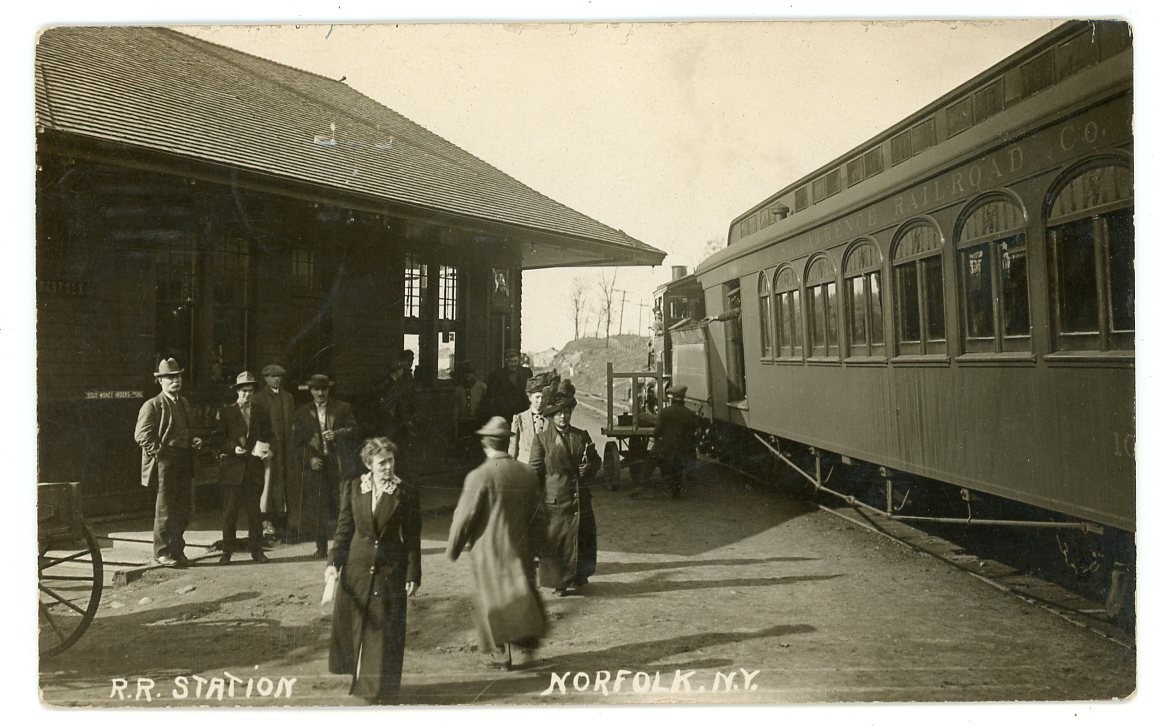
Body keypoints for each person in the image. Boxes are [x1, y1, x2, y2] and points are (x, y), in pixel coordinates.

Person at [325, 437, 421, 705]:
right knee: (360, 630)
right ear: (369, 464)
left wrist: (413, 574)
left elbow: (413, 538)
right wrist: (333, 563)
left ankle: (381, 691)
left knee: (383, 632)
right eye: (382, 462)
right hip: (356, 570)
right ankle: (366, 685)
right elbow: (344, 529)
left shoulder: (406, 492)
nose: (388, 467)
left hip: (390, 571)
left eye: (391, 461)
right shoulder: (354, 487)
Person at [447, 417, 547, 671]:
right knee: (522, 594)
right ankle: (527, 647)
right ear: (507, 442)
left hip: (489, 551)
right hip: (520, 548)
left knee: (491, 600)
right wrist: (540, 547)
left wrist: (453, 548)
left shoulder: (479, 476)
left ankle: (500, 654)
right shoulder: (526, 473)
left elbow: (464, 516)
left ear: (485, 444)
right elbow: (539, 515)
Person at [529, 379, 601, 596]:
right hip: (555, 500)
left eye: (567, 412)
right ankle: (559, 583)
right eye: (559, 413)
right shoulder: (542, 439)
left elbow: (596, 461)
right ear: (551, 416)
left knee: (579, 539)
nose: (563, 416)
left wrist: (588, 468)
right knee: (557, 543)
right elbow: (534, 471)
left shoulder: (581, 435)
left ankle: (579, 577)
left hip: (579, 498)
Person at [133, 358, 203, 568]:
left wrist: (194, 440)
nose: (175, 381)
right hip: (166, 462)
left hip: (184, 460)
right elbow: (141, 436)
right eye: (170, 378)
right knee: (164, 509)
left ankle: (177, 550)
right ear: (160, 381)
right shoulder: (153, 405)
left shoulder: (184, 403)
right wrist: (160, 452)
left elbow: (188, 431)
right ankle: (161, 552)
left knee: (183, 508)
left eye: (178, 377)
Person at [293, 374, 358, 558]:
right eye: (316, 389)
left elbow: (354, 430)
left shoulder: (342, 408)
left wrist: (336, 434)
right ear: (311, 390)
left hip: (337, 462)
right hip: (317, 464)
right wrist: (309, 460)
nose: (320, 392)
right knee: (318, 506)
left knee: (342, 504)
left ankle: (343, 546)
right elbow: (297, 443)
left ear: (329, 389)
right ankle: (321, 547)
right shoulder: (302, 413)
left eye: (324, 388)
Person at [212, 371, 272, 564]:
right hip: (233, 470)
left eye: (250, 391)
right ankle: (227, 552)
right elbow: (218, 439)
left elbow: (270, 436)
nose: (247, 395)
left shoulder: (261, 412)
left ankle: (257, 551)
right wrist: (232, 447)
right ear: (237, 391)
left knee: (255, 513)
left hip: (253, 469)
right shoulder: (226, 412)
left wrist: (268, 449)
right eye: (243, 391)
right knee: (230, 513)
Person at [251, 363, 295, 541]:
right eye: (273, 376)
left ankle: (282, 522)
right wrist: (265, 447)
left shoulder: (288, 397)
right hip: (268, 449)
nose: (277, 379)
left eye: (279, 376)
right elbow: (257, 426)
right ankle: (266, 522)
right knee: (267, 485)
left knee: (282, 483)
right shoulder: (258, 398)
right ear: (265, 378)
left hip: (286, 448)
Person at [632, 384, 699, 499]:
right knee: (678, 464)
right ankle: (675, 491)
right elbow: (693, 431)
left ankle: (641, 485)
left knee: (651, 460)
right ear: (683, 398)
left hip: (666, 446)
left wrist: (657, 439)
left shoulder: (665, 412)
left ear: (671, 398)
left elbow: (657, 431)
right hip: (682, 447)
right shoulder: (689, 413)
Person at [510, 371, 555, 465]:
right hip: (525, 468)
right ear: (530, 397)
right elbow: (513, 447)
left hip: (545, 468)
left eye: (543, 397)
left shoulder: (551, 419)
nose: (540, 401)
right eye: (537, 397)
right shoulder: (519, 419)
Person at [480, 349, 532, 423]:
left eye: (515, 362)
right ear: (506, 361)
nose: (513, 364)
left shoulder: (526, 372)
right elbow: (491, 396)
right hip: (504, 414)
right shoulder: (496, 375)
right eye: (511, 362)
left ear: (519, 361)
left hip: (523, 412)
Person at [452, 361, 487, 464]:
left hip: (477, 422)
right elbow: (456, 407)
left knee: (477, 444)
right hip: (463, 422)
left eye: (470, 373)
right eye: (465, 373)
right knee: (464, 443)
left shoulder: (481, 387)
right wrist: (455, 421)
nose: (467, 376)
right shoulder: (458, 390)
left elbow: (486, 404)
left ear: (474, 374)